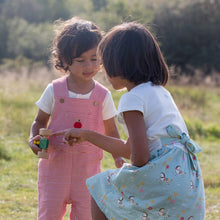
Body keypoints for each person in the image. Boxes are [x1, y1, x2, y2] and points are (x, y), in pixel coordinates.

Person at [57, 22, 205, 219]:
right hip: (187, 182)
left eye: (105, 62)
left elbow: (138, 157)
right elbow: (133, 148)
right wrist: (87, 135)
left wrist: (127, 169)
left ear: (119, 64)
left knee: (100, 188)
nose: (103, 70)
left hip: (163, 179)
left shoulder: (132, 99)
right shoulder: (160, 92)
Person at [28, 17, 125, 220]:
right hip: (54, 172)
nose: (89, 65)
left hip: (88, 173)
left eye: (94, 58)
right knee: (49, 215)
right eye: (81, 60)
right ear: (64, 61)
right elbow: (39, 121)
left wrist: (118, 155)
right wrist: (34, 139)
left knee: (86, 215)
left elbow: (111, 130)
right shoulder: (54, 90)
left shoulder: (103, 95)